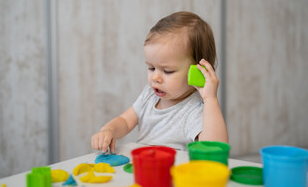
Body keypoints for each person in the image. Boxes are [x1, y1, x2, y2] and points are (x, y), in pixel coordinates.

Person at [91, 11, 228, 152]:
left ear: (198, 71)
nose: (155, 77)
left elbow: (214, 148)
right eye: (151, 68)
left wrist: (210, 99)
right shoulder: (149, 96)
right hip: (145, 167)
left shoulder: (193, 110)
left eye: (167, 71)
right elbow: (125, 121)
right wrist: (109, 130)